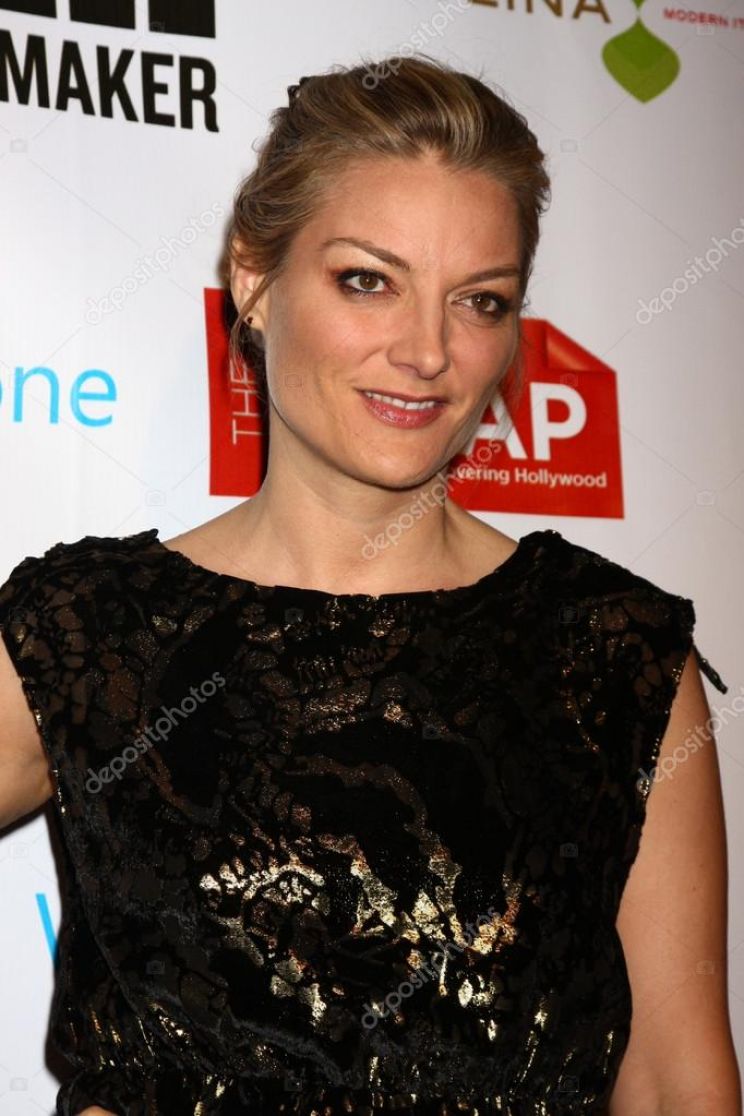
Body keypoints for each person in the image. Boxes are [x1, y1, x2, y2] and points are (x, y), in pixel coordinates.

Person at [0, 52, 739, 1116]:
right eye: (368, 281)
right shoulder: (90, 632)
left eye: (479, 300)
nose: (428, 351)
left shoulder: (612, 654)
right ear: (254, 279)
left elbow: (675, 1084)